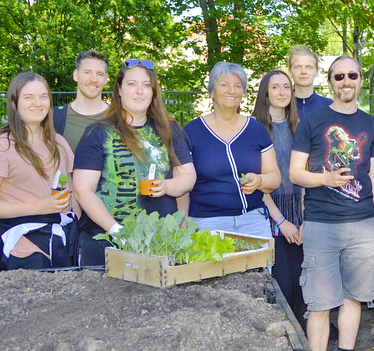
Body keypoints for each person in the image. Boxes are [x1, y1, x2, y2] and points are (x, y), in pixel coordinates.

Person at [289, 55, 374, 351]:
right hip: (322, 222)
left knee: (354, 297)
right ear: (330, 81)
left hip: (365, 223)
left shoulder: (371, 124)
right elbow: (295, 173)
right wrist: (325, 179)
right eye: (339, 76)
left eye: (352, 75)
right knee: (319, 302)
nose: (346, 81)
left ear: (360, 80)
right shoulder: (312, 122)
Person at [72, 58, 196, 265]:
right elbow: (83, 190)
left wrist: (166, 186)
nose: (139, 91)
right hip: (107, 244)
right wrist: (118, 232)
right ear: (119, 89)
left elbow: (188, 176)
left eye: (146, 85)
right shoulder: (97, 133)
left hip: (160, 243)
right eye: (132, 84)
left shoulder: (170, 129)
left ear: (153, 91)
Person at [0, 73, 76, 270]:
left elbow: (74, 196)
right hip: (23, 249)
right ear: (15, 103)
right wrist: (36, 207)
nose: (38, 103)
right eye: (29, 97)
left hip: (61, 244)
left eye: (43, 97)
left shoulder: (59, 143)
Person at [183, 63, 280, 237]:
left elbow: (274, 178)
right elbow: (182, 185)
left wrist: (259, 180)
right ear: (211, 92)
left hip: (254, 221)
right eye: (224, 85)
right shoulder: (191, 131)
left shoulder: (256, 130)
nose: (232, 91)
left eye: (237, 86)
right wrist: (182, 223)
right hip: (208, 223)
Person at [252, 70, 306, 328]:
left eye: (286, 87)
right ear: (265, 92)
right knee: (282, 283)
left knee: (303, 284)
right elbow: (256, 181)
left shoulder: (301, 127)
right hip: (269, 213)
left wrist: (305, 220)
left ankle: (307, 340)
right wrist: (281, 221)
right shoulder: (254, 128)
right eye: (275, 87)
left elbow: (307, 174)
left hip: (300, 215)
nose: (282, 92)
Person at [53, 49, 110, 150]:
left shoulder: (119, 117)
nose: (93, 79)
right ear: (76, 75)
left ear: (106, 78)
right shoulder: (55, 117)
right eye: (87, 72)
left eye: (99, 74)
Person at [288, 46, 333, 118]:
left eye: (309, 67)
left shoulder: (330, 107)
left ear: (317, 72)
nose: (303, 71)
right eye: (298, 67)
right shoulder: (281, 107)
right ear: (290, 72)